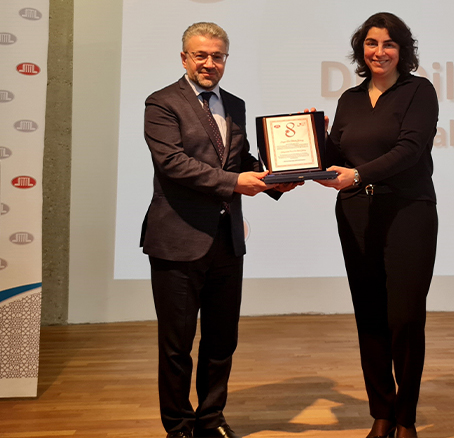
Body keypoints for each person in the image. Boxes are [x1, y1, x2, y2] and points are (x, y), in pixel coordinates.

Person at [141, 22, 298, 438]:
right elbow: (173, 164)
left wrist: (276, 178)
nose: (209, 63)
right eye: (201, 55)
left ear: (226, 59)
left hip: (227, 241)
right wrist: (235, 183)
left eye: (218, 56)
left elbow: (240, 161)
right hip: (177, 240)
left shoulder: (235, 105)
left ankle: (211, 420)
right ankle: (179, 426)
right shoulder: (162, 103)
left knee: (221, 341)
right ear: (184, 58)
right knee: (177, 346)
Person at [316, 12, 439, 438]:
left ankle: (406, 417)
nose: (379, 52)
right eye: (371, 43)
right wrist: (311, 142)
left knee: (405, 318)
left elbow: (410, 149)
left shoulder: (418, 91)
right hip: (356, 214)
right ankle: (381, 413)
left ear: (402, 51)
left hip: (408, 213)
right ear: (361, 49)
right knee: (369, 316)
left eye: (389, 44)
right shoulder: (350, 99)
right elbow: (336, 155)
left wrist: (358, 175)